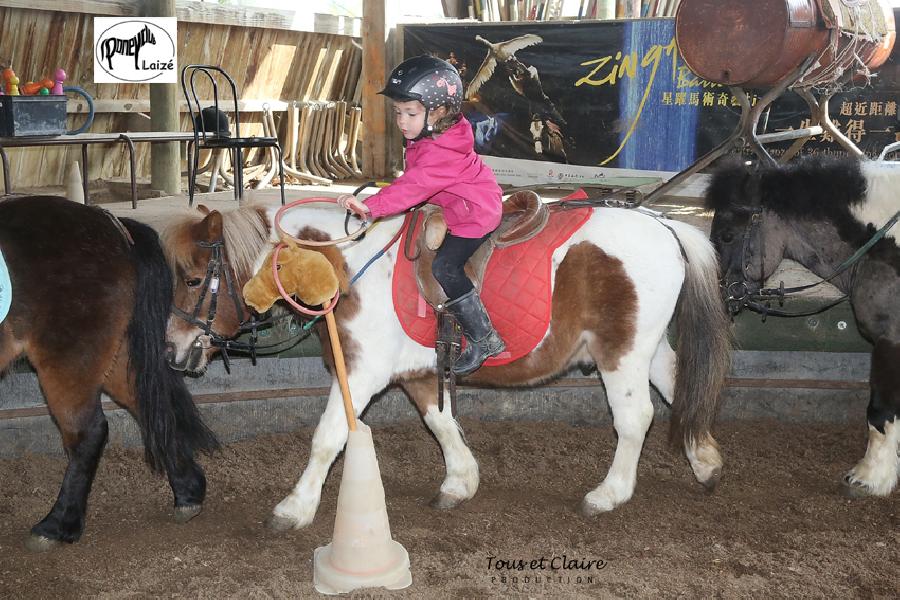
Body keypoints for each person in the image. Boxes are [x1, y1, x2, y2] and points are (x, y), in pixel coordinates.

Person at [337, 55, 505, 376]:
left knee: (445, 266)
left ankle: (484, 339)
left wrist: (371, 206)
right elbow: (414, 179)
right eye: (398, 112)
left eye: (410, 113)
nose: (402, 121)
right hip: (453, 202)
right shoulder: (431, 135)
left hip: (474, 214)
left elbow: (415, 185)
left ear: (439, 112)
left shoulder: (442, 151)